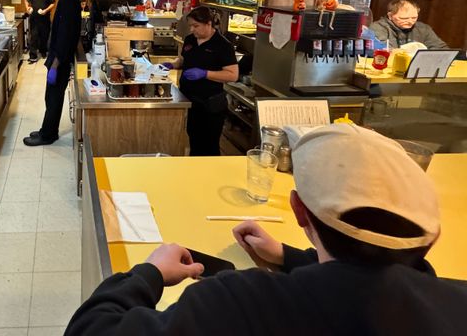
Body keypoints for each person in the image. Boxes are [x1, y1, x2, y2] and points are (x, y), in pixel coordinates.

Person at [66, 124, 467, 335]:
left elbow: (91, 330)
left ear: (299, 211)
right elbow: (359, 280)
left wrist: (148, 272)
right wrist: (288, 257)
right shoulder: (454, 302)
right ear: (429, 236)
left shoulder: (238, 303)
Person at [161, 7, 238, 155]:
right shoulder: (190, 39)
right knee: (194, 139)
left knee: (208, 145)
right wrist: (173, 63)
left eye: (196, 26)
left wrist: (205, 73)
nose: (192, 29)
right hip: (190, 101)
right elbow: (184, 59)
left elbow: (232, 75)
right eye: (190, 26)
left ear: (209, 24)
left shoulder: (222, 45)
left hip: (210, 104)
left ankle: (209, 175)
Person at [24, 0, 82, 147]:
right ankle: (47, 130)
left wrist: (55, 65)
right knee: (51, 97)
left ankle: (48, 135)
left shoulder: (69, 2)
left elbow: (65, 37)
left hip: (60, 61)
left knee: (54, 98)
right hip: (56, 58)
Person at [369, 0, 448, 49]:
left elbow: (441, 49)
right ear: (390, 16)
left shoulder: (423, 29)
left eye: (414, 18)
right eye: (404, 18)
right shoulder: (378, 27)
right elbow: (383, 50)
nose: (410, 21)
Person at [25, 0, 55, 64]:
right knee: (33, 37)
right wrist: (27, 8)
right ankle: (33, 56)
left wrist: (46, 10)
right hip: (34, 19)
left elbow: (53, 3)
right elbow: (26, 0)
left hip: (45, 20)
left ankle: (43, 51)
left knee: (44, 37)